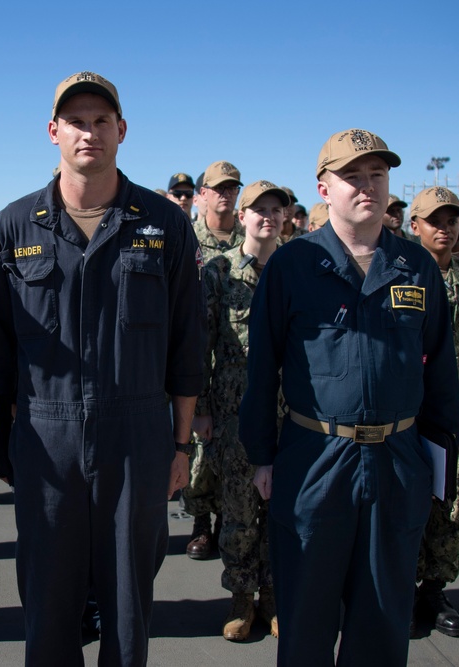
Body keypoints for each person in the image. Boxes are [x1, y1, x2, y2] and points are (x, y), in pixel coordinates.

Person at [0, 71, 206, 666]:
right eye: (76, 121)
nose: (89, 132)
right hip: (46, 439)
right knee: (48, 602)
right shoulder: (12, 229)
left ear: (122, 130)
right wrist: (10, 450)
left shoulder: (163, 224)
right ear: (54, 132)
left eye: (102, 120)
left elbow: (186, 348)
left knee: (130, 604)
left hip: (138, 435)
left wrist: (180, 446)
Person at [239, 128, 459, 666]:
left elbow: (442, 374)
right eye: (352, 177)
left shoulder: (417, 266)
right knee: (306, 622)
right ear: (323, 189)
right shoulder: (292, 266)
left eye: (377, 175)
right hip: (314, 460)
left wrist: (440, 460)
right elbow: (261, 368)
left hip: (397, 461)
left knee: (383, 624)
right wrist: (262, 456)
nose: (367, 187)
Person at [195, 180, 290, 641]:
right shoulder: (219, 271)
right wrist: (200, 410)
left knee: (280, 514)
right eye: (259, 209)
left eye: (276, 209)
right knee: (237, 514)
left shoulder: (295, 270)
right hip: (234, 415)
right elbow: (201, 344)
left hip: (288, 415)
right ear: (244, 215)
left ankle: (273, 600)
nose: (267, 217)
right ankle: (240, 601)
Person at [407, 187, 459, 638]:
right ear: (414, 226)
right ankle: (400, 590)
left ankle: (434, 590)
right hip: (410, 413)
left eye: (453, 219)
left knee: (451, 503)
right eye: (435, 220)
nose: (446, 227)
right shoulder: (400, 277)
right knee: (406, 504)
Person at [186, 159, 244, 560]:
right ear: (201, 195)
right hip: (195, 361)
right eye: (218, 188)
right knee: (198, 452)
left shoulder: (251, 239)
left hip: (235, 367)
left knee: (233, 448)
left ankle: (227, 520)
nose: (225, 194)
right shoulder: (186, 240)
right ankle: (200, 524)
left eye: (232, 187)